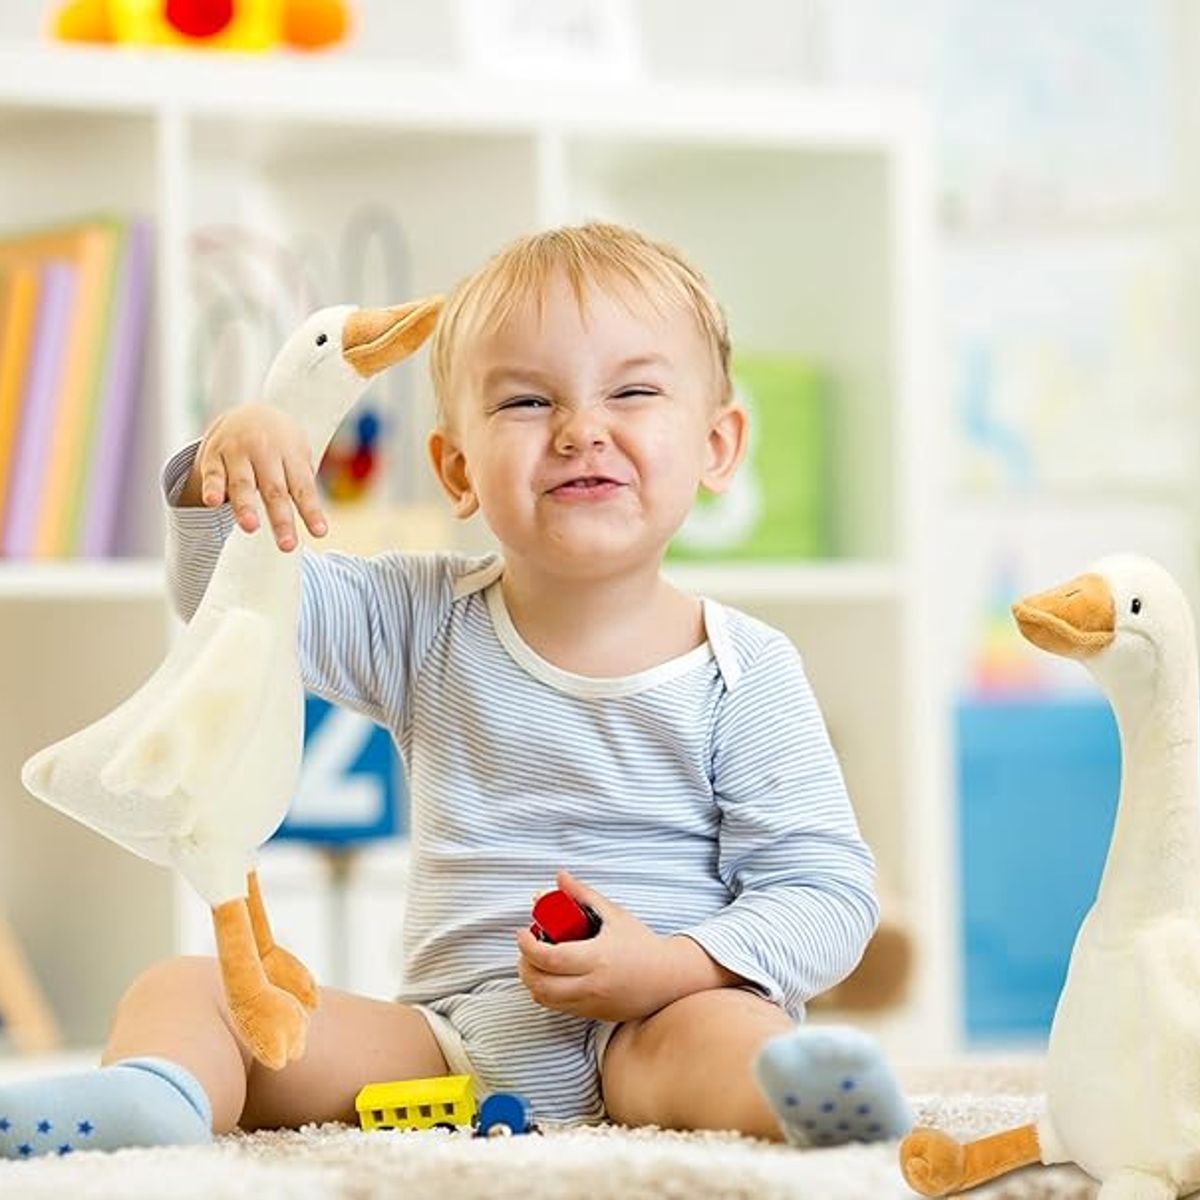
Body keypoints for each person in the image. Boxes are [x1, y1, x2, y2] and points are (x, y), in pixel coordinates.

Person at [0, 222, 910, 1159]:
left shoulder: (743, 670)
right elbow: (232, 608)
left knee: (733, 1036)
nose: (581, 429)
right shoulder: (424, 616)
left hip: (655, 1023)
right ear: (456, 469)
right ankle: (158, 1098)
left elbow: (827, 893)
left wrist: (671, 967)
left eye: (633, 391)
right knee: (186, 988)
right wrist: (227, 469)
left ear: (718, 447)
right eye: (526, 400)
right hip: (447, 1047)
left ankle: (798, 1103)